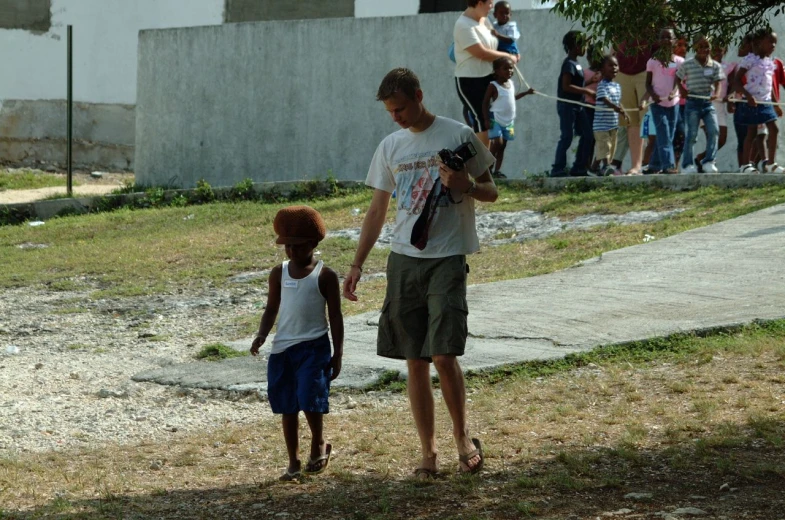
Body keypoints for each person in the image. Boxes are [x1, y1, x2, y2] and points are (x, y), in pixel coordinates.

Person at [343, 68, 496, 478]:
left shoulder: (458, 134)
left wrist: (464, 185)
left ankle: (462, 438)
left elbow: (491, 190)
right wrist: (357, 263)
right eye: (390, 111)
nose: (396, 117)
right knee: (415, 359)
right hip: (404, 259)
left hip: (447, 256)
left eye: (401, 108)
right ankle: (428, 455)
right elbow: (377, 210)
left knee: (444, 354)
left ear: (419, 96)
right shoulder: (391, 146)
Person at [250, 205, 344, 482]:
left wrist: (338, 353)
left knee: (310, 397)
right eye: (286, 247)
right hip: (282, 350)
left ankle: (318, 443)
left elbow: (336, 317)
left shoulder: (326, 276)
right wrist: (262, 334)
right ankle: (293, 460)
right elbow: (271, 309)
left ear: (314, 244)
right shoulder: (278, 273)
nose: (291, 252)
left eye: (298, 246)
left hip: (314, 348)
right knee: (287, 405)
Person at [454, 0, 519, 149]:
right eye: (489, 2)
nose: (491, 6)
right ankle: (482, 167)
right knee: (481, 120)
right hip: (470, 80)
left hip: (489, 76)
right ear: (478, 2)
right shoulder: (463, 25)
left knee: (493, 120)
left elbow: (497, 42)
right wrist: (507, 57)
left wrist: (513, 54)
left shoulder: (485, 20)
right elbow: (481, 53)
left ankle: (488, 167)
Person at [734, 28, 782, 173]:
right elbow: (737, 81)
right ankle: (745, 165)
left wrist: (776, 104)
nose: (773, 46)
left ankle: (771, 163)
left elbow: (770, 86)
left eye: (775, 43)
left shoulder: (769, 62)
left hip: (766, 102)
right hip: (752, 102)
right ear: (758, 43)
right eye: (770, 42)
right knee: (752, 133)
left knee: (774, 129)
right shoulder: (749, 60)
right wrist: (748, 96)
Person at [676, 35, 723, 174]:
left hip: (707, 103)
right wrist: (682, 90)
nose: (704, 49)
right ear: (695, 48)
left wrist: (717, 93)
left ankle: (709, 161)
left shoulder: (714, 65)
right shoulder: (688, 64)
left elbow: (718, 81)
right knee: (692, 134)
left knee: (714, 130)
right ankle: (687, 164)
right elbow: (677, 78)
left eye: (706, 46)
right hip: (692, 103)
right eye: (700, 46)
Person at [482, 56, 535, 178]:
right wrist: (485, 119)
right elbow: (485, 103)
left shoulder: (510, 84)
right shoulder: (493, 85)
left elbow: (512, 98)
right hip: (495, 119)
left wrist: (526, 93)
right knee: (497, 143)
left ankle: (497, 171)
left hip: (508, 122)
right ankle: (488, 168)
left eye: (511, 68)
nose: (510, 71)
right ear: (496, 71)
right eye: (505, 68)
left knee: (503, 146)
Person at [551, 30, 595, 177]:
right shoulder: (569, 64)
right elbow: (566, 86)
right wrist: (587, 91)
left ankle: (579, 168)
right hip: (567, 105)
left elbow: (577, 83)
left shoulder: (576, 64)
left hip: (578, 106)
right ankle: (557, 168)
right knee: (567, 136)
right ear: (575, 46)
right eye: (582, 45)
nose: (585, 48)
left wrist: (589, 82)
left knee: (588, 135)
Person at [609, 39, 655, 175]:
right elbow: (614, 45)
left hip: (645, 71)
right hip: (622, 72)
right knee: (631, 122)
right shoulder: (620, 24)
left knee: (647, 120)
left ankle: (649, 163)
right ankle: (636, 166)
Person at [644, 28, 684, 174]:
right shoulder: (652, 62)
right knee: (664, 133)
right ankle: (668, 165)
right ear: (658, 41)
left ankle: (654, 165)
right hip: (657, 104)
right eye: (663, 38)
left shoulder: (680, 62)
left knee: (668, 135)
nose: (666, 40)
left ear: (675, 41)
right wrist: (653, 95)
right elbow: (647, 84)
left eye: (669, 38)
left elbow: (678, 80)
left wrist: (674, 92)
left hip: (673, 104)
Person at [695, 44, 736, 170]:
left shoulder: (729, 67)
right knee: (711, 135)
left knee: (721, 138)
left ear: (725, 50)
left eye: (721, 49)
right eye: (715, 50)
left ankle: (700, 158)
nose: (717, 52)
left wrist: (730, 99)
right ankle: (709, 163)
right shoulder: (701, 65)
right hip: (705, 104)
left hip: (720, 106)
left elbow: (732, 85)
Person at [590, 55, 629, 176]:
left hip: (612, 123)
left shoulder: (617, 86)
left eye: (616, 65)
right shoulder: (602, 84)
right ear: (602, 69)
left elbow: (617, 101)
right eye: (610, 65)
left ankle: (593, 168)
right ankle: (606, 167)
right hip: (601, 125)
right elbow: (604, 99)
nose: (614, 68)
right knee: (605, 145)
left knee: (609, 147)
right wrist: (615, 107)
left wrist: (623, 111)